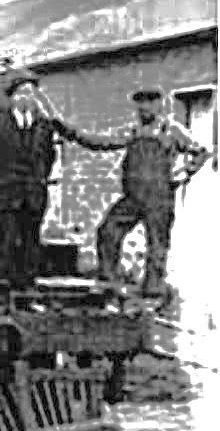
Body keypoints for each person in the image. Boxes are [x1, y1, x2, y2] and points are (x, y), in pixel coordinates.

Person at [47, 86, 212, 300]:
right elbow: (99, 142)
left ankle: (153, 293)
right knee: (108, 231)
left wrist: (182, 174)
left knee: (157, 244)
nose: (144, 108)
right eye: (140, 104)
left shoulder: (171, 130)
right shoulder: (132, 131)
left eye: (149, 103)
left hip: (159, 198)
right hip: (132, 197)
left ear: (159, 105)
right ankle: (108, 283)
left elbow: (202, 152)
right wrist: (69, 131)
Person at [0, 70, 70, 287]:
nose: (26, 98)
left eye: (30, 94)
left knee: (31, 240)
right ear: (12, 98)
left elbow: (49, 156)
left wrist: (39, 179)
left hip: (34, 193)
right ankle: (3, 287)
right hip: (6, 193)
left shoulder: (43, 126)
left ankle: (27, 285)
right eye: (21, 94)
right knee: (6, 240)